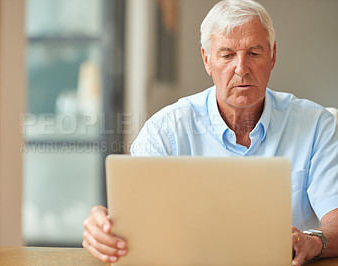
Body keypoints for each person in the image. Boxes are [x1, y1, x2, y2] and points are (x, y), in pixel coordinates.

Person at [82, 0, 338, 265]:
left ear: (272, 55)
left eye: (254, 52)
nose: (241, 68)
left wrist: (313, 241)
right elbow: (135, 225)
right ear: (207, 59)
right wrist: (104, 231)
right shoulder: (165, 130)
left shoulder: (317, 125)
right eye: (227, 55)